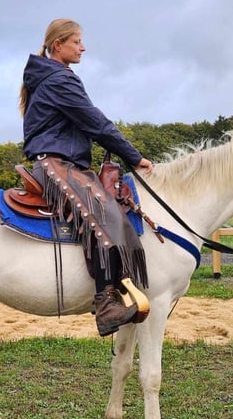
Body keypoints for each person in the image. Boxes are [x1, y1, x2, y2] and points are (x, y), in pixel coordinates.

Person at [19, 18, 153, 337]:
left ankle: (116, 286)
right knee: (101, 213)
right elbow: (97, 123)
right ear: (58, 45)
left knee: (107, 205)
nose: (83, 47)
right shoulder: (59, 80)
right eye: (77, 41)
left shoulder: (55, 77)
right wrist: (135, 157)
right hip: (55, 163)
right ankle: (106, 303)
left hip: (67, 161)